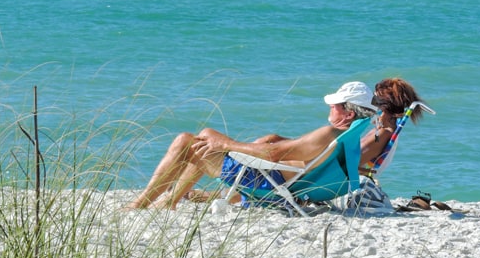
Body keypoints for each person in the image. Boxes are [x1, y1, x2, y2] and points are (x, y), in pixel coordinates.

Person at [127, 81, 377, 209]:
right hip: (284, 181)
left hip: (263, 182)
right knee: (204, 139)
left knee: (187, 140)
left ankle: (140, 205)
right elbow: (290, 151)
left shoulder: (327, 133)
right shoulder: (349, 137)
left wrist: (226, 143)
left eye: (335, 104)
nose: (330, 107)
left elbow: (273, 153)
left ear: (348, 113)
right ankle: (169, 202)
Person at [358, 77, 428, 175]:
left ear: (384, 106)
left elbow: (348, 163)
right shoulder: (383, 130)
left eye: (374, 100)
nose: (371, 103)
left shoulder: (383, 133)